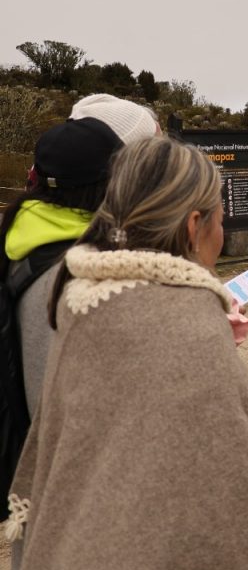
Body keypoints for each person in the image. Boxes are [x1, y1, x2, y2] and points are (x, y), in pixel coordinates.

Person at [6, 137, 248, 570]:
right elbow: (239, 500)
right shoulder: (187, 327)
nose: (221, 233)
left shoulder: (83, 296)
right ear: (194, 226)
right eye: (220, 220)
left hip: (81, 545)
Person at [0, 96, 159, 523]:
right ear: (114, 182)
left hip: (48, 491)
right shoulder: (82, 278)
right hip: (85, 512)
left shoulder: (26, 235)